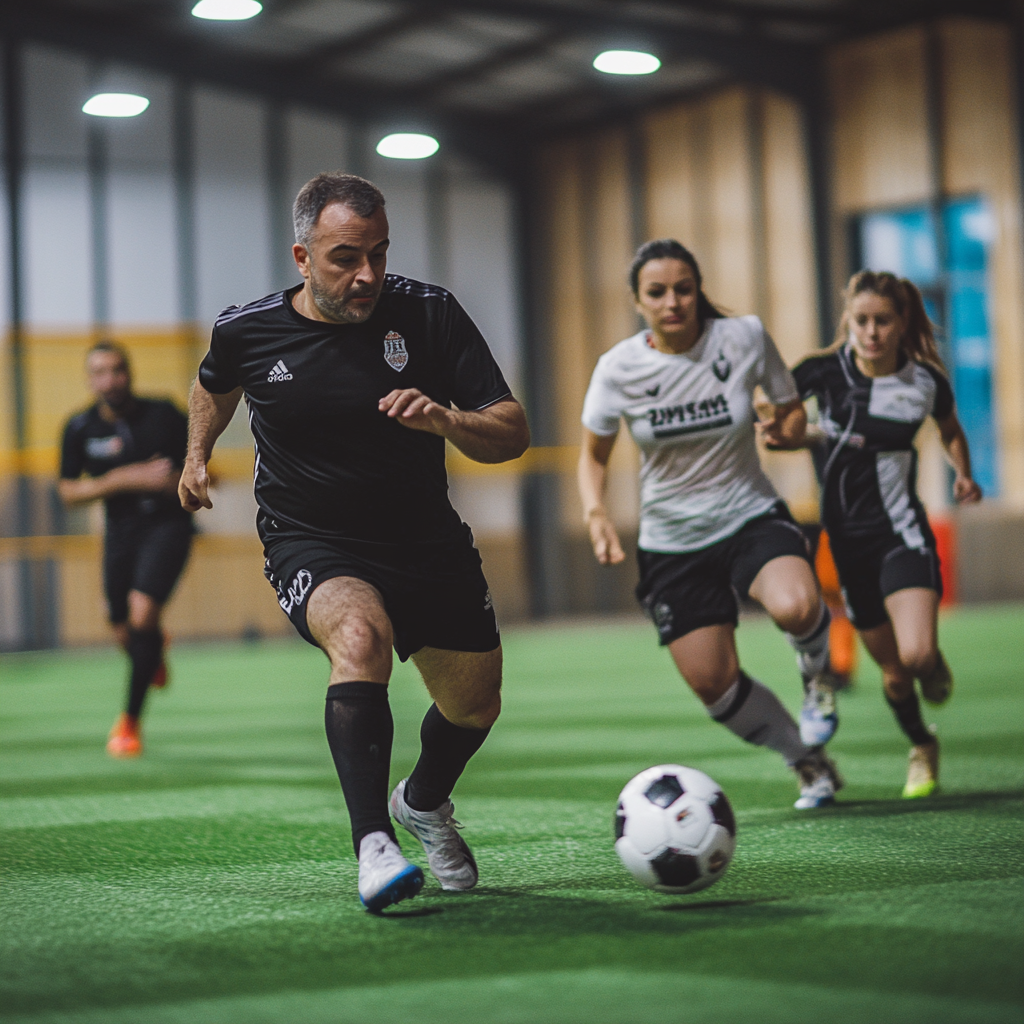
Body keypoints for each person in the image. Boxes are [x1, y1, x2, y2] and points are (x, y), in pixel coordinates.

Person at [179, 173, 529, 913]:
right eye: (345, 257)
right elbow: (213, 383)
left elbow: (512, 431)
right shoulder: (247, 329)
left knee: (475, 707)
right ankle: (373, 844)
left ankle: (423, 802)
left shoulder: (429, 314)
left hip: (426, 539)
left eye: (378, 253)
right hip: (312, 538)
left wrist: (446, 421)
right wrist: (195, 454)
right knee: (359, 637)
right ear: (302, 257)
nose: (366, 274)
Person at [578, 239, 842, 810]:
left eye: (684, 288)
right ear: (637, 300)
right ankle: (807, 761)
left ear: (698, 291)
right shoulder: (618, 367)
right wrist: (596, 511)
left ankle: (818, 682)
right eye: (658, 292)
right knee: (713, 685)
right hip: (672, 544)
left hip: (749, 513)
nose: (673, 301)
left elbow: (789, 406)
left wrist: (789, 429)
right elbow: (593, 454)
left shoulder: (743, 336)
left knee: (797, 604)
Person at [786, 270, 981, 798]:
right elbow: (779, 421)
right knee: (894, 675)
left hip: (902, 534)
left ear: (901, 324)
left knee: (916, 658)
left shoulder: (924, 382)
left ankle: (933, 660)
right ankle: (922, 743)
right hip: (848, 547)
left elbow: (950, 429)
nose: (871, 332)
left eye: (883, 322)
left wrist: (963, 472)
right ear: (848, 319)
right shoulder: (821, 373)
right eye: (862, 320)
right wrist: (783, 430)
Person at [59, 341, 193, 758]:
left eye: (117, 370)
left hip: (168, 525)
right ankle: (153, 648)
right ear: (89, 379)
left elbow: (199, 463)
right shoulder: (80, 428)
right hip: (119, 534)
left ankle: (129, 723)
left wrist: (185, 479)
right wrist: (125, 478)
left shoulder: (164, 413)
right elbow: (68, 491)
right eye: (99, 372)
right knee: (123, 629)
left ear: (129, 373)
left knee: (142, 612)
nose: (110, 379)